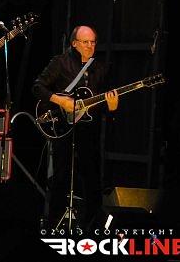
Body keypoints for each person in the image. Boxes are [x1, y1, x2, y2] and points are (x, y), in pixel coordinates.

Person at [32, 25, 118, 229]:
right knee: (61, 175)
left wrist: (112, 108)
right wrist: (61, 101)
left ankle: (92, 224)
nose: (90, 46)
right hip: (62, 127)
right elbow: (38, 87)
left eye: (93, 42)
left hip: (89, 130)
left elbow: (102, 103)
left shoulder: (100, 68)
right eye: (85, 42)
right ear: (74, 43)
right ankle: (54, 223)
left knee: (92, 177)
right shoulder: (60, 63)